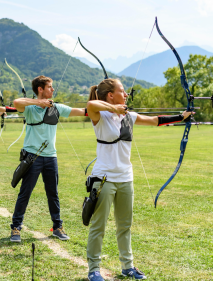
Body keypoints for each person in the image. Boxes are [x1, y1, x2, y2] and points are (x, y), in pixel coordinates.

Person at [84, 78, 192, 281]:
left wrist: (181, 116)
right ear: (110, 95)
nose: (126, 95)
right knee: (99, 225)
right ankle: (94, 270)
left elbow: (155, 120)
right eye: (122, 91)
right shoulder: (100, 115)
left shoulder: (129, 116)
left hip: (126, 178)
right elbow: (91, 104)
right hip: (104, 178)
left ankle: (128, 266)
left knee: (125, 225)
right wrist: (115, 109)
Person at [9, 75, 86, 243]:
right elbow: (16, 103)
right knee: (25, 193)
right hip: (32, 156)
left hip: (51, 157)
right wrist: (39, 103)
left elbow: (81, 111)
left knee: (53, 193)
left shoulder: (56, 107)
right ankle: (16, 228)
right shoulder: (29, 108)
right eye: (50, 87)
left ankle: (57, 227)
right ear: (40, 89)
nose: (52, 90)